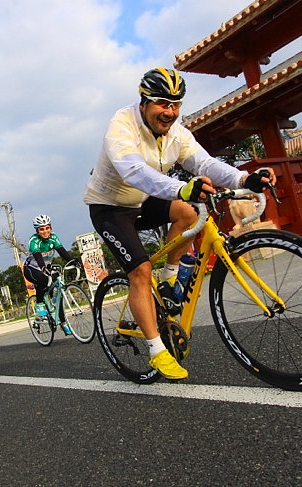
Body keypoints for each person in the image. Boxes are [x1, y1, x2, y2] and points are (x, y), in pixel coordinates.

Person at [84, 67, 277, 380]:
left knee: (189, 213)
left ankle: (170, 278)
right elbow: (133, 170)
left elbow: (204, 163)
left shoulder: (177, 133)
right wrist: (181, 187)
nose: (170, 112)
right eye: (162, 103)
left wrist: (244, 177)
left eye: (176, 105)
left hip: (144, 200)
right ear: (144, 102)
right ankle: (157, 350)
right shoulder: (122, 124)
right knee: (141, 271)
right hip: (110, 207)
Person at [23, 214, 78, 335]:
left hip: (45, 267)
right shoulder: (34, 240)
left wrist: (73, 261)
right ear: (37, 231)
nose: (45, 231)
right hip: (31, 268)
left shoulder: (54, 238)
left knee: (59, 294)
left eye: (47, 228)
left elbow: (62, 251)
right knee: (42, 280)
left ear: (51, 228)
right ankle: (39, 304)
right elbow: (37, 255)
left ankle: (63, 322)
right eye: (41, 229)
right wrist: (42, 267)